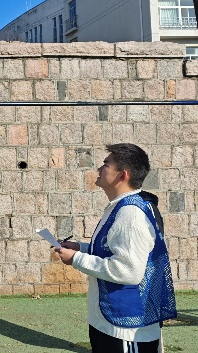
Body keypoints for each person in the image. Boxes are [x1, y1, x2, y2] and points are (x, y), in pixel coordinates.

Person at [55, 143, 177, 353]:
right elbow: (112, 250)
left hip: (127, 327)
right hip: (108, 321)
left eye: (106, 164)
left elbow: (128, 270)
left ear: (123, 175)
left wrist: (76, 259)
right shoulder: (120, 207)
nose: (99, 169)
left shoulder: (131, 214)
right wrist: (80, 248)